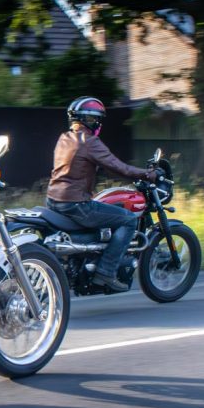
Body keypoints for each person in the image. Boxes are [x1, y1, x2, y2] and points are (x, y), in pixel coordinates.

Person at [46, 96, 159, 292]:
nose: (98, 123)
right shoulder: (89, 142)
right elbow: (119, 167)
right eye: (97, 119)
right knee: (128, 220)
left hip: (54, 200)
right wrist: (148, 174)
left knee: (107, 212)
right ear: (90, 120)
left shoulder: (64, 138)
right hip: (76, 204)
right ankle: (106, 272)